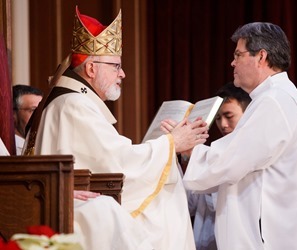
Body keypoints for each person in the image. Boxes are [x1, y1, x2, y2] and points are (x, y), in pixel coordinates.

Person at [24, 6, 208, 250]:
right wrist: (171, 143)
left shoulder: (73, 99)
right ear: (91, 68)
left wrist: (168, 144)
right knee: (165, 197)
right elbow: (116, 162)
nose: (122, 73)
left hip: (68, 195)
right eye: (115, 66)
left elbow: (108, 157)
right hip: (66, 204)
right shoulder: (75, 104)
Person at [181, 22, 297, 249]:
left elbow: (232, 161)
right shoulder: (275, 96)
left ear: (261, 57)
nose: (232, 62)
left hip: (273, 235)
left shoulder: (274, 100)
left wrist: (190, 149)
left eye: (238, 55)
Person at [187, 82, 251, 250]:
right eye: (218, 118)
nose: (223, 124)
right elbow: (191, 204)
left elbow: (218, 203)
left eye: (229, 116)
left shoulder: (251, 153)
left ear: (247, 114)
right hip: (203, 239)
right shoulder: (211, 152)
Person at [12, 84, 43, 155]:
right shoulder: (10, 150)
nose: (40, 116)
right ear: (13, 115)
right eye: (33, 110)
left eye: (42, 111)